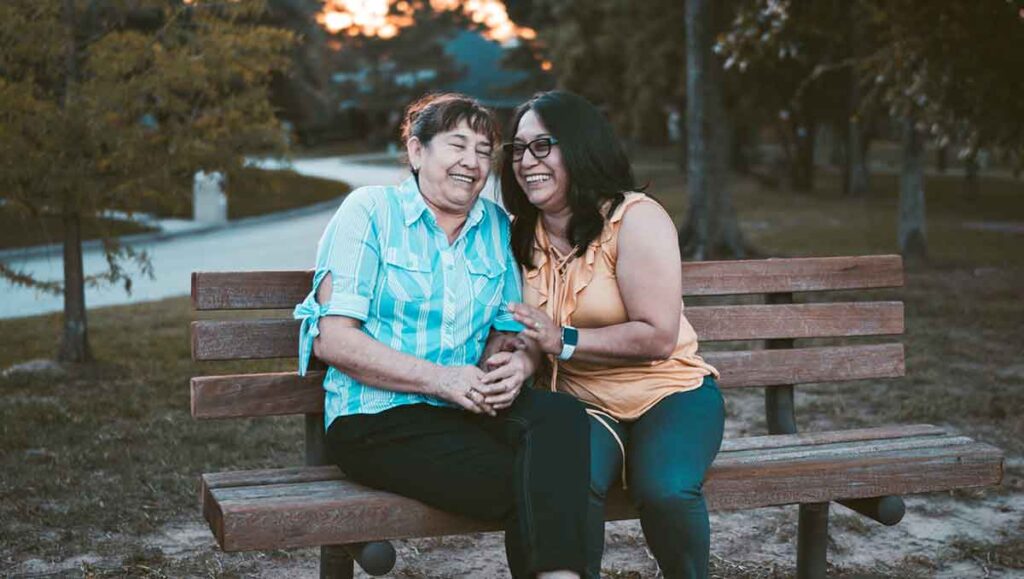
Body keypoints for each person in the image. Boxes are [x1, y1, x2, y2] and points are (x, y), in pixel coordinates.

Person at [293, 93, 589, 579]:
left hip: (464, 408)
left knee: (561, 418)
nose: (472, 163)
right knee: (535, 483)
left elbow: (508, 329)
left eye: (482, 149)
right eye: (457, 145)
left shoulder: (495, 226)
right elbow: (333, 340)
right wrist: (440, 380)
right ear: (416, 152)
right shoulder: (370, 212)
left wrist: (517, 362)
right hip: (375, 419)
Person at [500, 90, 725, 579]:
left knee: (664, 487)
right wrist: (519, 358)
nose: (525, 161)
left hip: (669, 393)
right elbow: (526, 332)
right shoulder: (519, 234)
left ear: (580, 147)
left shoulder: (635, 218)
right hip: (580, 403)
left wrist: (564, 340)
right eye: (517, 149)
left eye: (542, 146)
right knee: (561, 485)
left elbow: (658, 336)